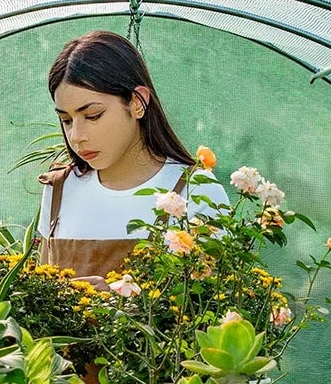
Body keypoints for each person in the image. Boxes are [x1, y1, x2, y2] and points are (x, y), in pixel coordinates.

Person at [39, 30, 227, 285]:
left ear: (137, 102)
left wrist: (115, 303)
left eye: (93, 115)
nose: (77, 136)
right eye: (66, 120)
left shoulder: (194, 189)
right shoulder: (60, 187)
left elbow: (215, 304)